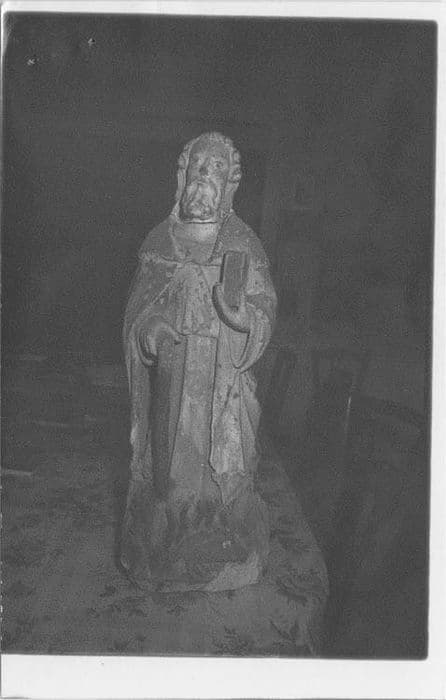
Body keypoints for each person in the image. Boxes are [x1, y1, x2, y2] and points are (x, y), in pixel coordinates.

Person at [121, 132, 277, 591]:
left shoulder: (244, 245)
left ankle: (221, 533)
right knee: (166, 475)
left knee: (222, 468)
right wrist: (148, 331)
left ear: (230, 183)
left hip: (221, 382)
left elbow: (264, 307)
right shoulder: (159, 242)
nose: (204, 176)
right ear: (182, 175)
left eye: (216, 168)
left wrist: (243, 319)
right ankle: (166, 533)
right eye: (198, 166)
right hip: (171, 382)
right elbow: (137, 308)